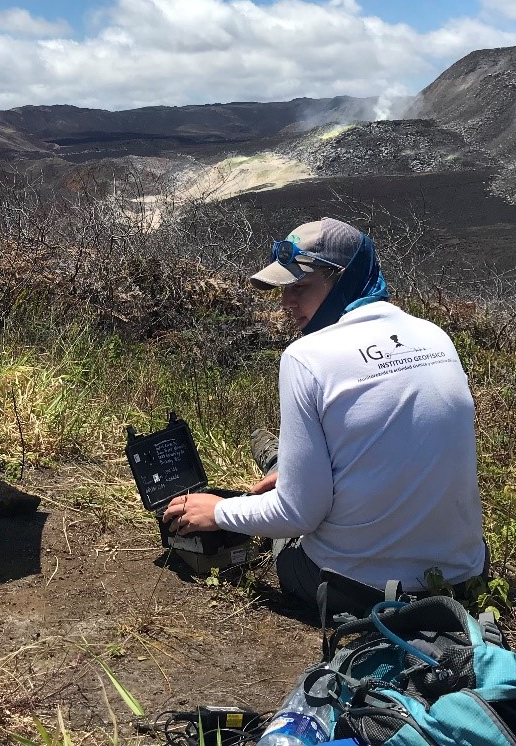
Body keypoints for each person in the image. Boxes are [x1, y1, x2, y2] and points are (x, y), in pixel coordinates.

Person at [162, 217, 486, 611]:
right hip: (465, 580)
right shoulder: (434, 335)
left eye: (300, 287)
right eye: (284, 290)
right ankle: (284, 463)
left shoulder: (306, 357)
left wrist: (218, 511)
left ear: (343, 280)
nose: (286, 303)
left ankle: (278, 462)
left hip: (359, 590)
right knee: (309, 470)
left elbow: (297, 514)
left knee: (284, 528)